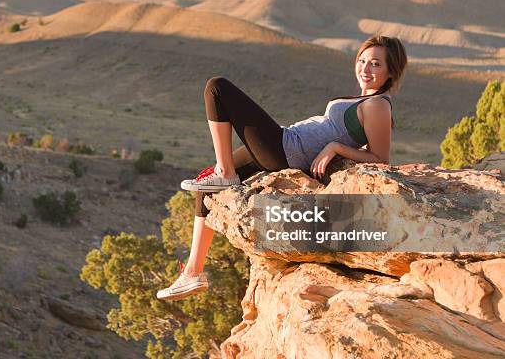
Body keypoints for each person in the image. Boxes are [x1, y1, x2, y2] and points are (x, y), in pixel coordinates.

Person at [156, 35, 408, 301]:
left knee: (217, 88)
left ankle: (225, 172)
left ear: (391, 72)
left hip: (285, 148)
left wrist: (335, 147)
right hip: (285, 142)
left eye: (376, 64)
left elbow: (380, 158)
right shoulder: (364, 100)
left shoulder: (378, 104)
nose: (365, 69)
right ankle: (193, 272)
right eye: (362, 61)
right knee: (205, 187)